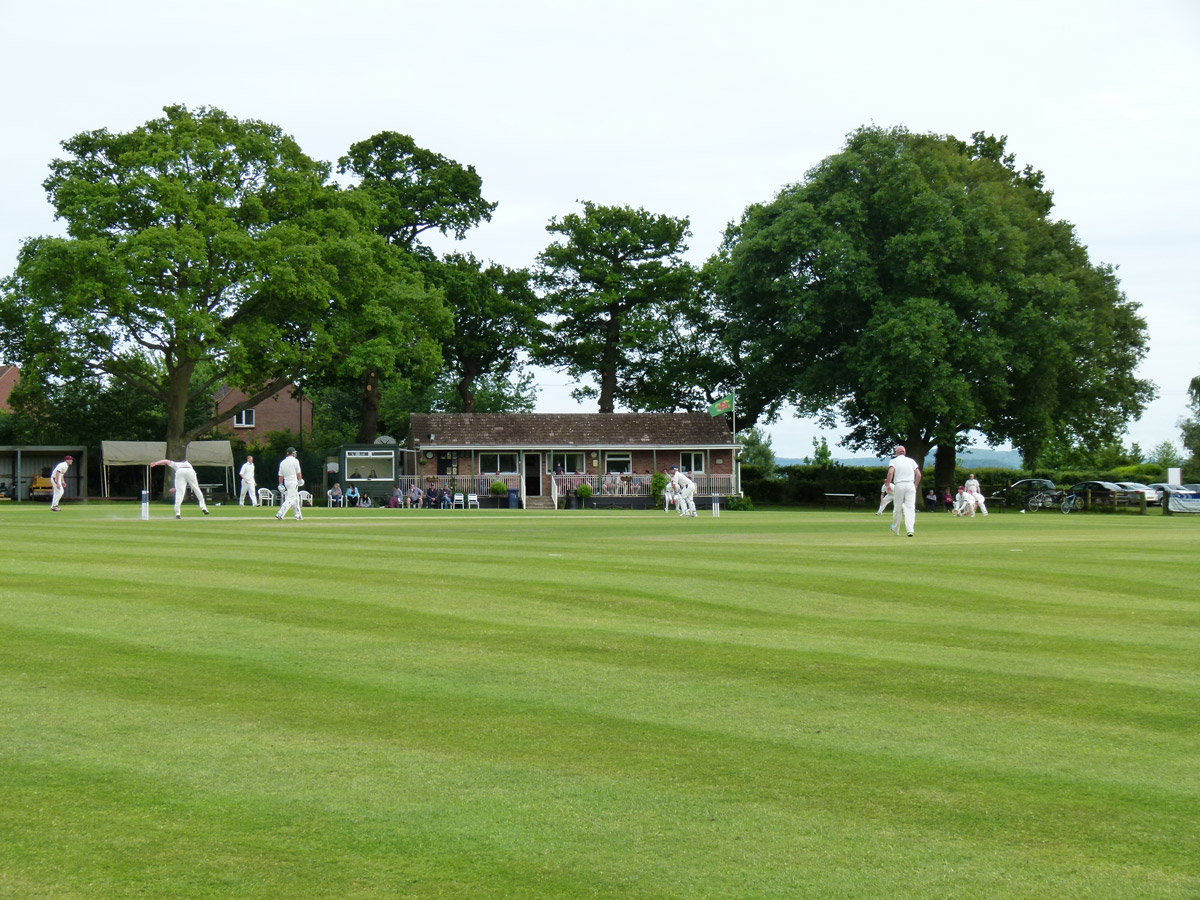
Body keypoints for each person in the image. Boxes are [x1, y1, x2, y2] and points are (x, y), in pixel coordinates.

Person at [883, 445, 921, 537]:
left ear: (896, 453)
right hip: (910, 484)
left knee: (897, 508)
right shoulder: (911, 461)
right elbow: (918, 475)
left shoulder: (894, 461)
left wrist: (888, 485)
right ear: (904, 452)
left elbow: (890, 472)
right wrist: (915, 485)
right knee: (910, 508)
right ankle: (910, 530)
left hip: (899, 485)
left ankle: (896, 529)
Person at [275, 446, 304, 521]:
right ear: (293, 453)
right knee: (291, 498)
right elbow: (298, 473)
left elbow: (281, 476)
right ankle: (280, 513)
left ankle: (298, 515)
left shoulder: (282, 462)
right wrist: (300, 479)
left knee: (296, 498)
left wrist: (280, 484)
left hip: (286, 482)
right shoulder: (295, 461)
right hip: (293, 482)